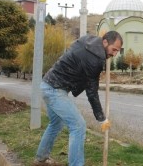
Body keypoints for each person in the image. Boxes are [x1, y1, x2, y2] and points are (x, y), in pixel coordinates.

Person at [35, 31, 123, 166]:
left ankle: (41, 158)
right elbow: (92, 92)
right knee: (78, 126)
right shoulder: (96, 58)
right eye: (114, 49)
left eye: (117, 51)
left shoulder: (88, 41)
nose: (115, 54)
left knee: (56, 123)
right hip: (54, 90)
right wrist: (101, 118)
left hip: (47, 84)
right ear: (105, 42)